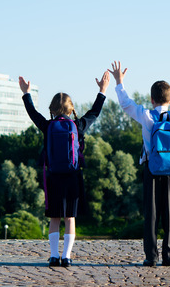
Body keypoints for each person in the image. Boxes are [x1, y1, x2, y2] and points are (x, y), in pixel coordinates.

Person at [109, 59, 170, 266]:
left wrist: (119, 81)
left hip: (151, 167)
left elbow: (126, 104)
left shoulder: (146, 115)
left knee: (151, 214)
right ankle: (169, 255)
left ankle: (151, 256)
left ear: (151, 99)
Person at [19, 71, 110, 267]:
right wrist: (102, 90)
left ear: (52, 109)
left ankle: (53, 256)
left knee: (54, 217)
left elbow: (33, 114)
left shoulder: (48, 125)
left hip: (53, 177)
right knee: (70, 218)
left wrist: (26, 94)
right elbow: (94, 112)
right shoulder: (77, 126)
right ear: (71, 109)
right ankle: (67, 257)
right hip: (72, 177)